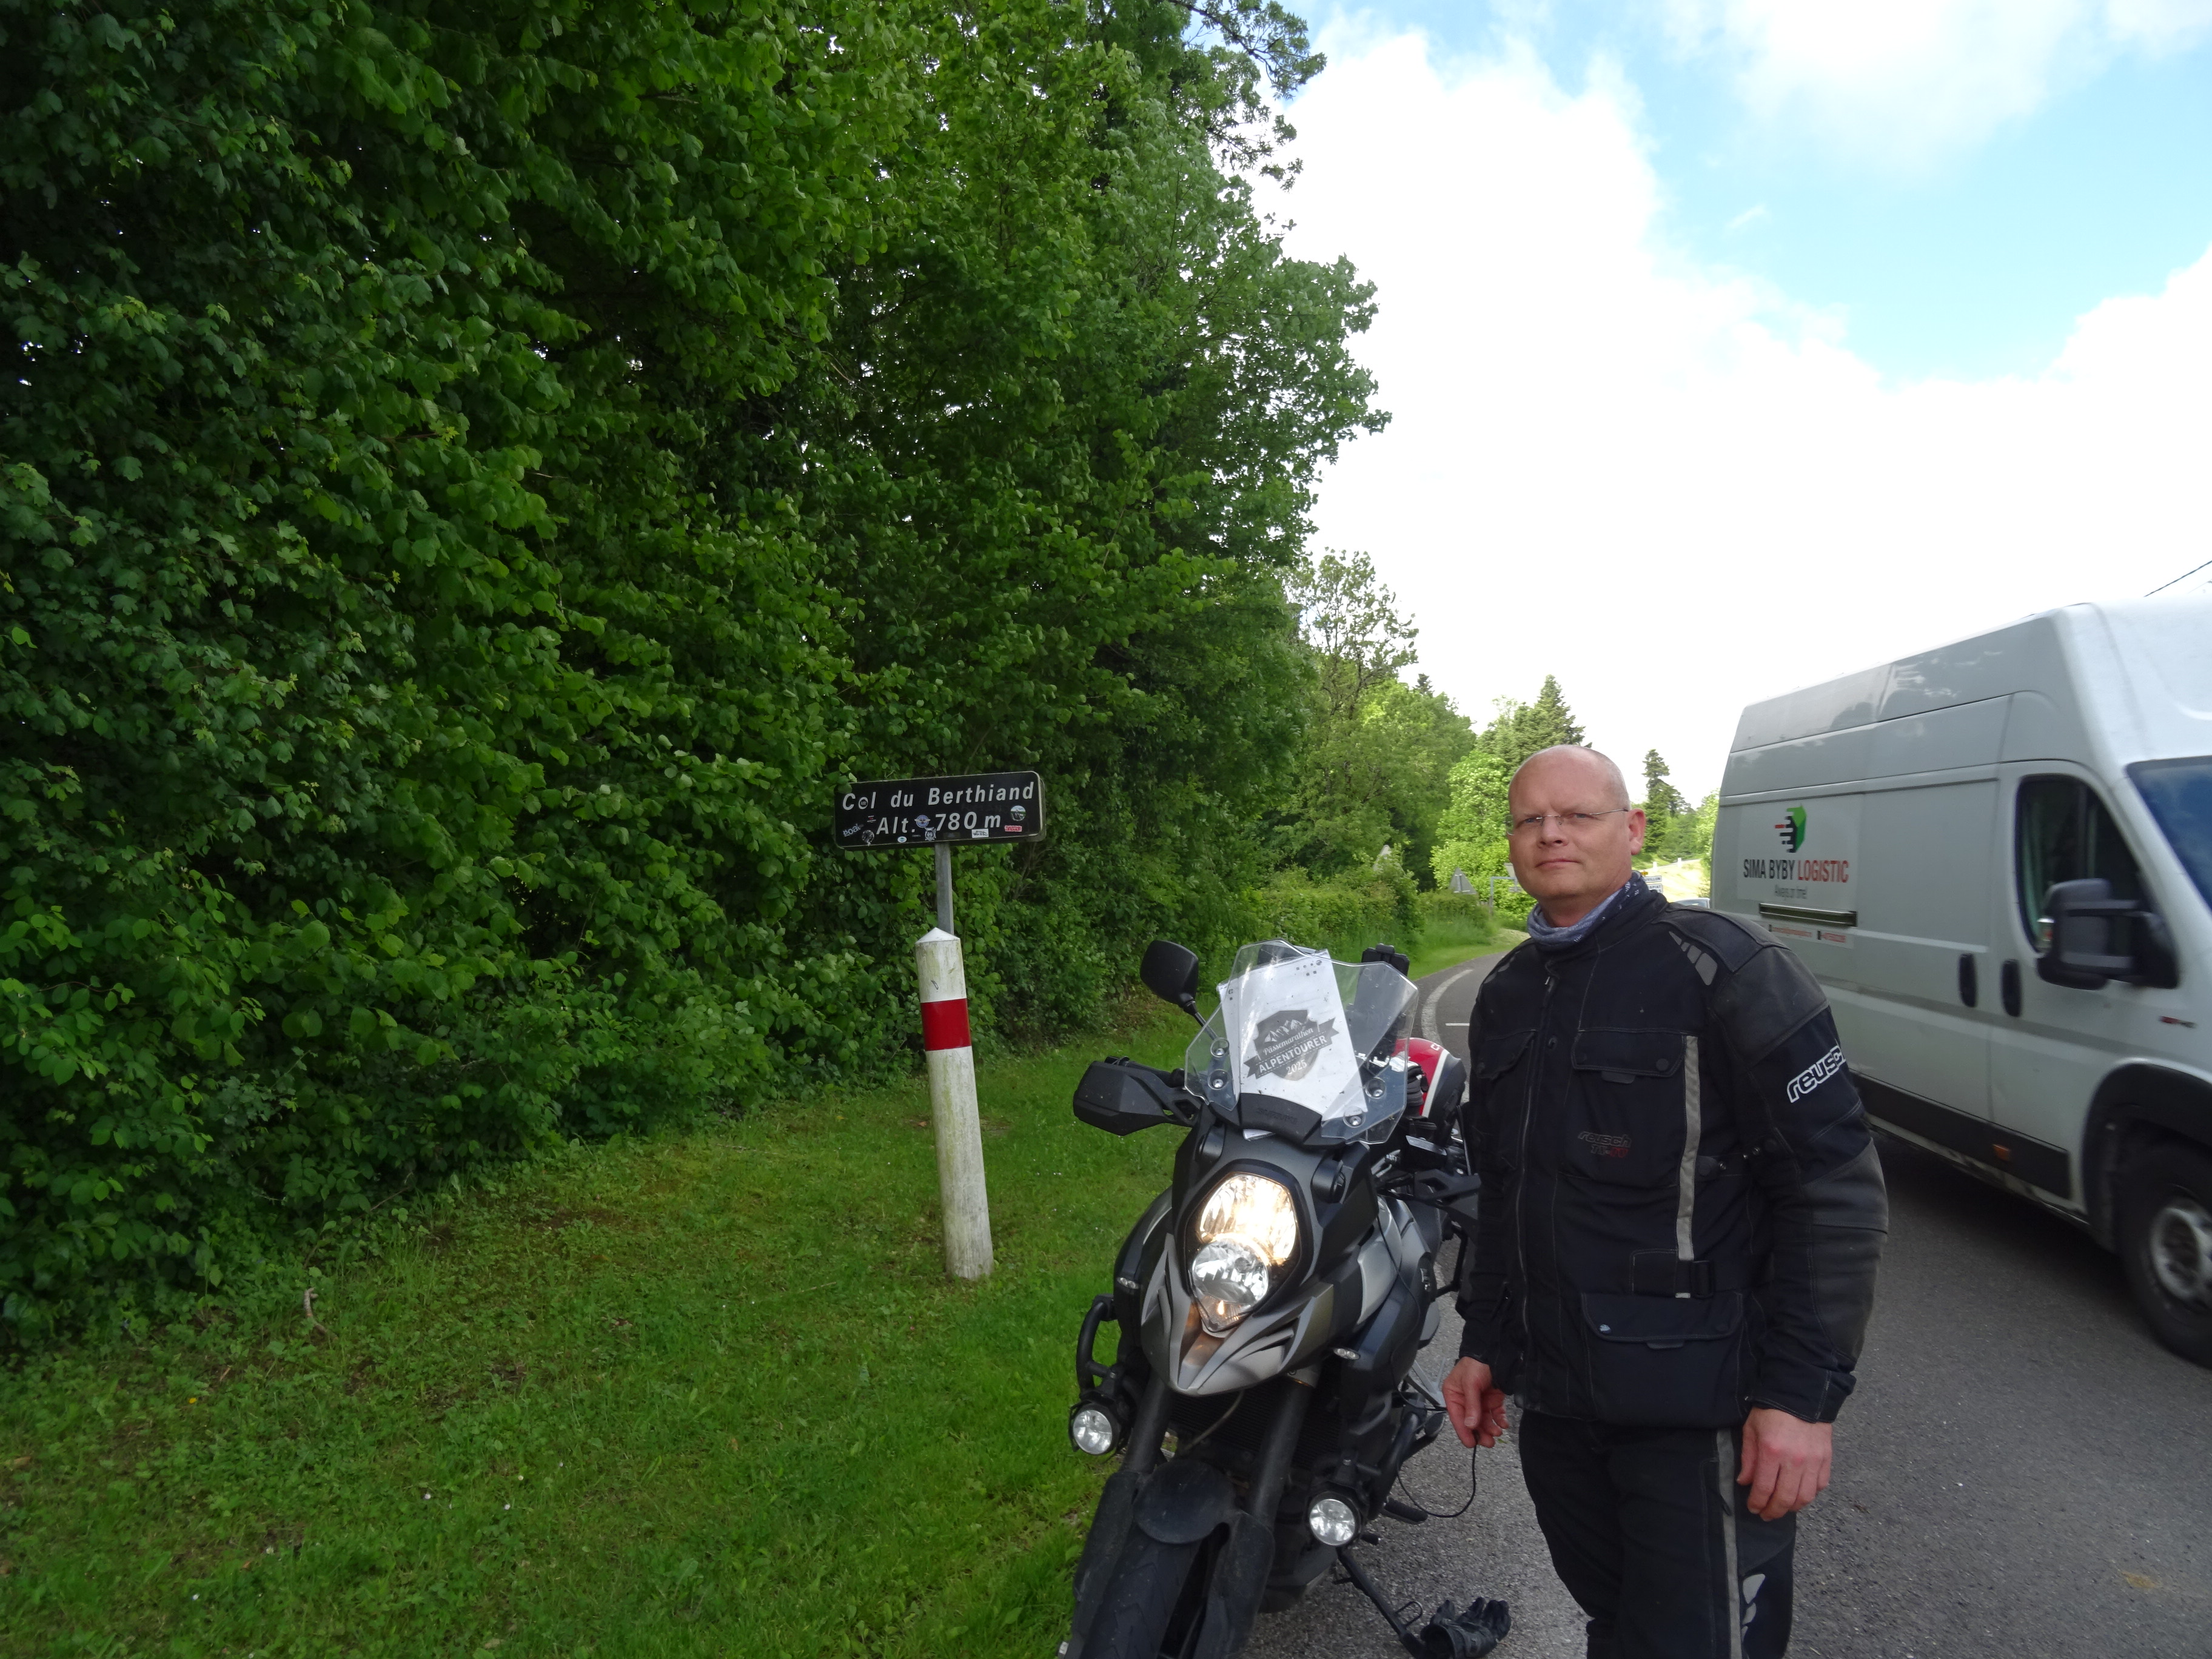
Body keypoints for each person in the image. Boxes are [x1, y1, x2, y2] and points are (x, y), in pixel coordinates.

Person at [1441, 746, 1886, 1659]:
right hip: (1560, 1413)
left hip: (1696, 1419)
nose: (1552, 834)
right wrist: (1485, 1341)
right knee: (1617, 1627)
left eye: (1578, 814)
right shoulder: (1508, 994)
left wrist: (1801, 1399)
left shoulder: (1728, 969)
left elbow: (1833, 1189)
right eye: (1530, 820)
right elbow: (1503, 1194)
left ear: (1633, 829)